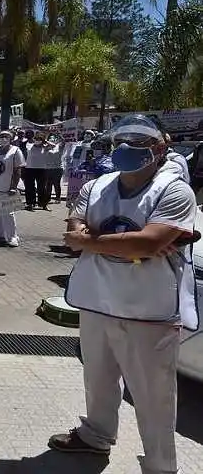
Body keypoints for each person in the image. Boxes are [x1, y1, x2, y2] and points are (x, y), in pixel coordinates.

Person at [50, 115, 198, 474]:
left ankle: (161, 466)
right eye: (122, 140)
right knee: (97, 378)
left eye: (139, 140)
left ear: (160, 148)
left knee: (153, 396)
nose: (128, 147)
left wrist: (92, 240)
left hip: (148, 311)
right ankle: (95, 435)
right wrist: (121, 243)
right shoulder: (98, 185)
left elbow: (147, 243)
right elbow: (74, 232)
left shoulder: (175, 191)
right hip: (97, 300)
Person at [45, 135, 64, 203]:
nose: (52, 139)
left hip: (58, 168)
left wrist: (59, 134)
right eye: (50, 138)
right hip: (48, 168)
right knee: (48, 184)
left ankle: (58, 198)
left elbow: (63, 141)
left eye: (53, 138)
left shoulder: (59, 146)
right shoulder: (46, 147)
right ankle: (48, 198)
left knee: (57, 184)